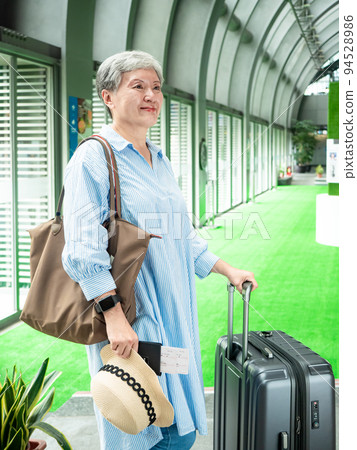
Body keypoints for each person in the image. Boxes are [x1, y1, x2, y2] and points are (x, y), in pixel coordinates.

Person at [62, 50, 258, 450]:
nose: (151, 95)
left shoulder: (160, 159)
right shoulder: (93, 157)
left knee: (180, 422)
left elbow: (179, 235)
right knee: (146, 424)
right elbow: (82, 246)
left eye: (156, 87)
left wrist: (226, 269)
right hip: (136, 322)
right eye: (138, 86)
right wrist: (113, 316)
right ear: (108, 97)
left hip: (175, 321)